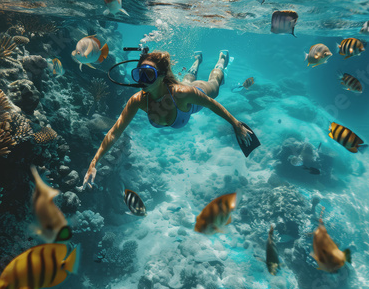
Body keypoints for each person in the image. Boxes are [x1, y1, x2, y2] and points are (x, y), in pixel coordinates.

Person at [82, 50, 254, 189]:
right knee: (186, 80)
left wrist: (235, 124)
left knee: (214, 85)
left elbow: (212, 104)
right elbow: (114, 132)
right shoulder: (138, 100)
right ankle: (197, 60)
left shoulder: (182, 94)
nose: (142, 81)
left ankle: (222, 60)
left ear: (161, 76)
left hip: (195, 95)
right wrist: (94, 162)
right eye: (139, 74)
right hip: (180, 90)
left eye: (148, 75)